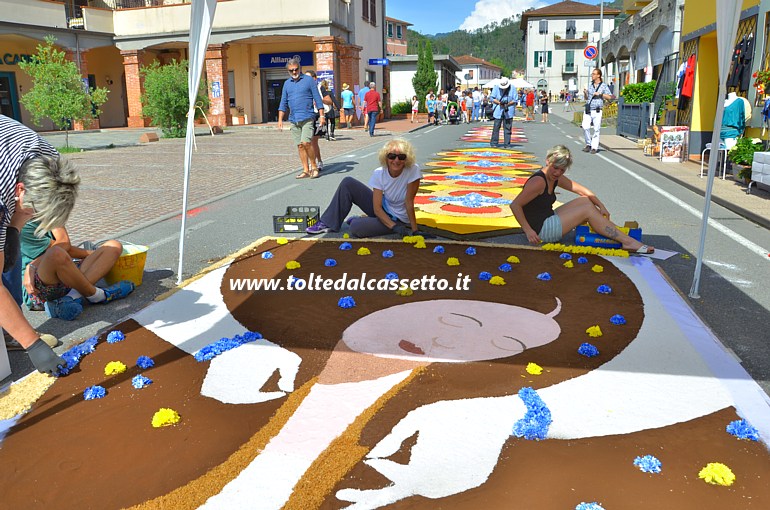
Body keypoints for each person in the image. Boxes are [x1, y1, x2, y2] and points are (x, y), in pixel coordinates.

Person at [0, 114, 79, 376]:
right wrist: (33, 345)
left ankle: (8, 330)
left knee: (8, 256)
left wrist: (13, 230)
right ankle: (18, 333)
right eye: (34, 212)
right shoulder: (2, 195)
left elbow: (24, 206)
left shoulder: (49, 159)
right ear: (19, 189)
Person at [510, 145, 654, 254]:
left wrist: (602, 206)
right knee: (587, 210)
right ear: (547, 161)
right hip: (541, 231)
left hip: (547, 218)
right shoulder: (539, 181)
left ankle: (610, 228)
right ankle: (627, 241)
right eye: (555, 168)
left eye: (562, 170)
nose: (557, 172)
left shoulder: (555, 177)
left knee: (585, 200)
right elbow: (515, 205)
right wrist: (528, 231)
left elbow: (583, 191)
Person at [305, 138, 421, 237]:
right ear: (385, 158)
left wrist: (413, 230)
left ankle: (366, 222)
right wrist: (393, 227)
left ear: (406, 159)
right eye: (392, 156)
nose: (396, 160)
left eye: (401, 157)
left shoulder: (413, 170)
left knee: (356, 227)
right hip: (383, 209)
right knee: (348, 183)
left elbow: (409, 202)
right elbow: (377, 209)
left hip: (397, 219)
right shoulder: (379, 173)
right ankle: (328, 223)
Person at [20, 222, 133, 320]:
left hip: (63, 270)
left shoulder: (45, 211)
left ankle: (70, 297)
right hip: (36, 286)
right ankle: (100, 296)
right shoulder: (25, 224)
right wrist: (96, 255)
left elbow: (66, 248)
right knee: (56, 253)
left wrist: (99, 254)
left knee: (114, 246)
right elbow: (63, 244)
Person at [277, 57, 325, 180]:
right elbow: (283, 102)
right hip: (294, 119)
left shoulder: (309, 80)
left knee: (306, 143)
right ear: (288, 71)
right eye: (291, 70)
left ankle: (314, 167)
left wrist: (322, 115)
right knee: (300, 146)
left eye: (296, 69)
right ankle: (305, 170)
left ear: (300, 68)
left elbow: (318, 99)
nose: (294, 72)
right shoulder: (287, 84)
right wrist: (280, 120)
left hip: (308, 117)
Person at [582, 68, 613, 154]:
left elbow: (610, 97)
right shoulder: (589, 85)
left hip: (597, 110)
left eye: (594, 74)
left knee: (596, 129)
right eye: (592, 74)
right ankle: (588, 143)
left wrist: (601, 94)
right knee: (585, 127)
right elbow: (586, 98)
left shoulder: (603, 86)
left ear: (598, 75)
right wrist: (585, 93)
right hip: (588, 109)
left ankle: (594, 147)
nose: (592, 75)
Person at [304, 70, 329, 170]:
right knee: (305, 142)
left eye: (309, 77)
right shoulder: (303, 88)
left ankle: (319, 162)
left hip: (317, 115)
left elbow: (329, 101)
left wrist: (319, 99)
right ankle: (310, 164)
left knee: (313, 141)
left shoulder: (319, 87)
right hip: (306, 115)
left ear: (314, 78)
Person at [489, 77, 516, 148]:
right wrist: (499, 103)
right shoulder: (496, 87)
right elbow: (492, 98)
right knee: (496, 127)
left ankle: (507, 144)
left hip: (509, 110)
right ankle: (494, 143)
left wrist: (508, 104)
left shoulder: (512, 88)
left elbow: (515, 99)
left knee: (507, 127)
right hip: (498, 110)